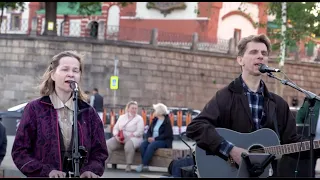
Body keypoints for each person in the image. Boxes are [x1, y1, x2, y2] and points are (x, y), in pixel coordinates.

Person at [186, 34, 306, 177]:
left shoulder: (278, 104)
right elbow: (196, 127)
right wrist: (230, 149)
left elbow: (292, 142)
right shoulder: (225, 96)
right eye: (254, 52)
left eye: (264, 53)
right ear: (240, 60)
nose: (260, 56)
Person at [11, 51, 108, 178]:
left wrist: (91, 170)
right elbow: (20, 151)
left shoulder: (89, 112)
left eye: (75, 70)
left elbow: (100, 152)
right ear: (53, 75)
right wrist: (46, 172)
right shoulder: (35, 109)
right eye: (65, 69)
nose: (71, 74)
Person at [106, 101, 144, 172]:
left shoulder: (139, 118)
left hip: (134, 137)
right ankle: (104, 163)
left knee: (129, 145)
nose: (134, 110)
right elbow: (115, 128)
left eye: (136, 108)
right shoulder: (122, 117)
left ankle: (128, 165)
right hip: (121, 136)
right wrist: (116, 135)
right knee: (108, 143)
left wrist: (132, 135)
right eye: (132, 108)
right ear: (128, 109)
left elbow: (140, 131)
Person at [136, 103, 173, 173]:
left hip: (164, 141)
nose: (154, 112)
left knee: (152, 145)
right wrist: (148, 137)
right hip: (153, 139)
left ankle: (143, 164)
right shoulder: (155, 120)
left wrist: (155, 139)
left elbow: (167, 134)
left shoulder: (167, 121)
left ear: (159, 111)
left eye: (155, 110)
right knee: (143, 145)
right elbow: (149, 131)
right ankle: (146, 166)